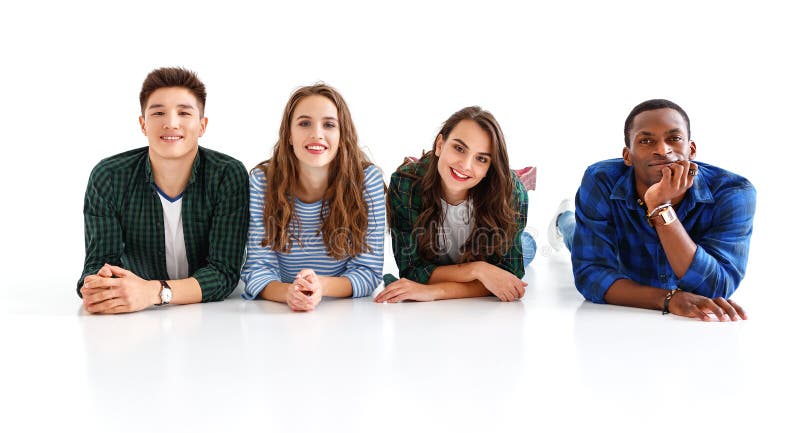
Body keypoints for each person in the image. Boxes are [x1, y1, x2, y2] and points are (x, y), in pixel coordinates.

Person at [548, 99, 756, 321]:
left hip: (633, 281)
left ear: (691, 149)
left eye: (674, 139)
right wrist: (668, 300)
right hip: (623, 265)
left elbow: (714, 287)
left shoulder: (734, 193)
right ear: (627, 156)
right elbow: (591, 275)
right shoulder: (601, 180)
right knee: (574, 234)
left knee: (577, 235)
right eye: (646, 140)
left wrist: (660, 207)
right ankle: (563, 219)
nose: (662, 150)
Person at [78, 67, 249, 314]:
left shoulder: (226, 175)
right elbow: (99, 262)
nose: (171, 123)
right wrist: (99, 284)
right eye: (158, 112)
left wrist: (153, 293)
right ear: (143, 124)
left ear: (202, 125)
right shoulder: (109, 177)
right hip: (135, 321)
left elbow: (224, 273)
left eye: (184, 112)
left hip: (213, 320)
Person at [241, 83, 384, 311]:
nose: (317, 134)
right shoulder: (263, 181)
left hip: (346, 314)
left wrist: (320, 287)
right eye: (304, 123)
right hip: (277, 312)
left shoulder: (366, 180)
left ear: (342, 135)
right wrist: (289, 293)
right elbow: (258, 267)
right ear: (288, 134)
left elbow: (368, 272)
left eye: (328, 125)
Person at [375, 106, 534, 303]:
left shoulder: (512, 194)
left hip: (490, 244)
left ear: (489, 168)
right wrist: (478, 270)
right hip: (451, 258)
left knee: (527, 247)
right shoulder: (403, 184)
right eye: (459, 148)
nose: (465, 165)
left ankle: (563, 219)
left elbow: (507, 278)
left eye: (481, 159)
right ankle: (424, 164)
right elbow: (413, 269)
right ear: (440, 144)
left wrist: (434, 291)